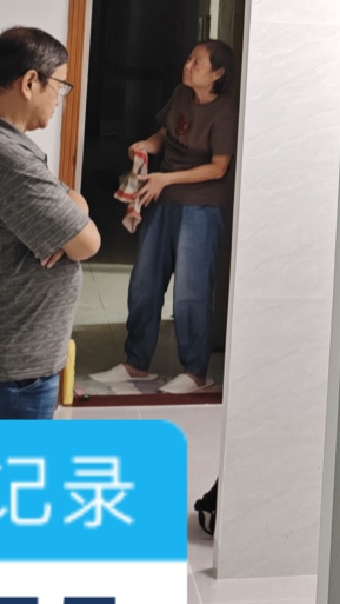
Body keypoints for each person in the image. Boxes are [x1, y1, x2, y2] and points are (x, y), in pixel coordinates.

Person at [0, 25, 100, 419]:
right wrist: (69, 224)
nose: (60, 99)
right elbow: (86, 242)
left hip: (2, 368)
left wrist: (69, 213)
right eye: (59, 86)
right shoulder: (3, 157)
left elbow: (73, 206)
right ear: (30, 82)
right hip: (5, 374)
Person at [91, 38, 237, 396]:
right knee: (144, 283)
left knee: (190, 291)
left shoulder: (226, 111)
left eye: (197, 63)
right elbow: (164, 135)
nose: (188, 66)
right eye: (189, 59)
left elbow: (218, 168)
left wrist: (165, 179)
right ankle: (136, 363)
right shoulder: (181, 95)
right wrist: (146, 145)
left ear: (217, 74)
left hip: (201, 206)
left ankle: (196, 372)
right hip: (162, 198)